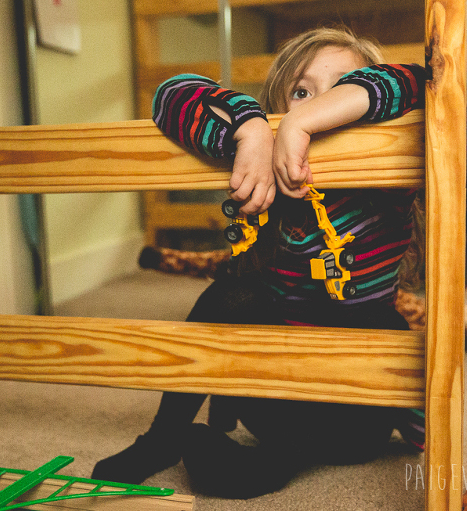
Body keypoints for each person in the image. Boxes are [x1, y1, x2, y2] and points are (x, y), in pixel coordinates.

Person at [91, 26, 428, 499]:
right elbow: (171, 94)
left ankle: (275, 462)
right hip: (275, 389)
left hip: (356, 409)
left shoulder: (386, 183)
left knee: (384, 323)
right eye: (301, 93)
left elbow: (418, 81)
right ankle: (165, 439)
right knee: (233, 292)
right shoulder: (266, 166)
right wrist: (251, 130)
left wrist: (301, 121)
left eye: (344, 88)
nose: (316, 104)